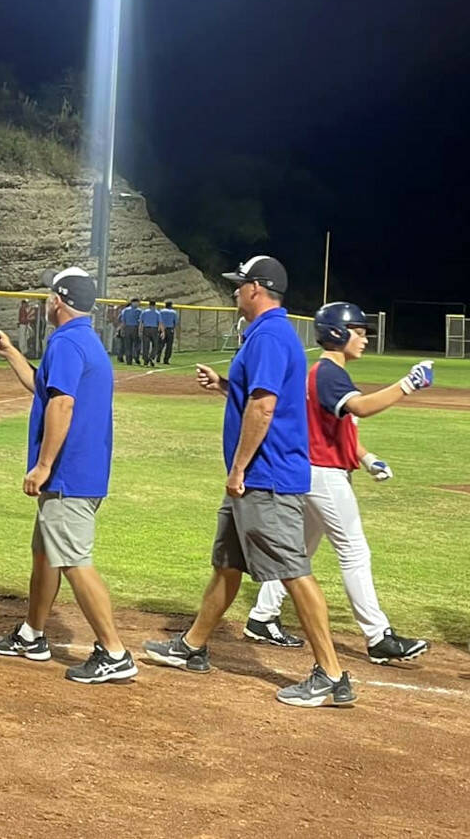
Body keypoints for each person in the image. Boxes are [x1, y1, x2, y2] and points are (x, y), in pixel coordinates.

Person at [143, 256, 357, 708]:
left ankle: (332, 675)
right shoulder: (266, 335)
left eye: (240, 285)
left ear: (257, 289)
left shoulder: (271, 335)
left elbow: (263, 409)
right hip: (256, 476)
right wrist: (224, 385)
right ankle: (193, 646)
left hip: (266, 476)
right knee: (227, 563)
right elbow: (255, 396)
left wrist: (239, 469)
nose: (235, 291)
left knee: (294, 571)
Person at [243, 302, 432, 664]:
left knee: (299, 552)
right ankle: (378, 636)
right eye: (358, 332)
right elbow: (360, 408)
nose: (363, 339)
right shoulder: (328, 372)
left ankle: (262, 616)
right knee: (354, 551)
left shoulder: (326, 372)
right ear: (337, 333)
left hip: (317, 471)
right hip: (324, 475)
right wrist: (408, 384)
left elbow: (337, 426)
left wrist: (365, 457)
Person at [0, 269, 137, 683]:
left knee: (73, 560)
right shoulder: (83, 339)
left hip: (69, 474)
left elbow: (62, 404)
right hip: (80, 472)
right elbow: (44, 387)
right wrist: (13, 353)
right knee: (47, 553)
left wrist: (44, 465)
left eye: (49, 296)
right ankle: (32, 635)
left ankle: (115, 652)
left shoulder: (67, 341)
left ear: (57, 300)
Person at [118, 298, 141, 365]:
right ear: (133, 303)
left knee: (129, 345)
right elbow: (123, 321)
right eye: (137, 302)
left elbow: (123, 321)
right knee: (133, 344)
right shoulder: (138, 311)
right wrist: (122, 329)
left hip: (129, 328)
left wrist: (122, 329)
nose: (137, 304)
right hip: (133, 328)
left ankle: (130, 360)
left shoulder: (125, 310)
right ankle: (133, 358)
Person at [140, 300, 161, 366]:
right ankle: (152, 357)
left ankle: (145, 359)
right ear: (155, 305)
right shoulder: (157, 313)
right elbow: (160, 323)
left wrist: (140, 330)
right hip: (154, 329)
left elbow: (141, 322)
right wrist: (160, 331)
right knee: (155, 345)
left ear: (149, 305)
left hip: (146, 329)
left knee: (145, 345)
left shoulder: (144, 312)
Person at [159, 300, 178, 365]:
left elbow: (159, 320)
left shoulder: (161, 311)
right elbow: (175, 322)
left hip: (162, 329)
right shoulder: (173, 312)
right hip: (170, 329)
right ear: (171, 305)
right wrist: (174, 329)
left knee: (160, 345)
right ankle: (166, 360)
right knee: (169, 346)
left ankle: (158, 358)